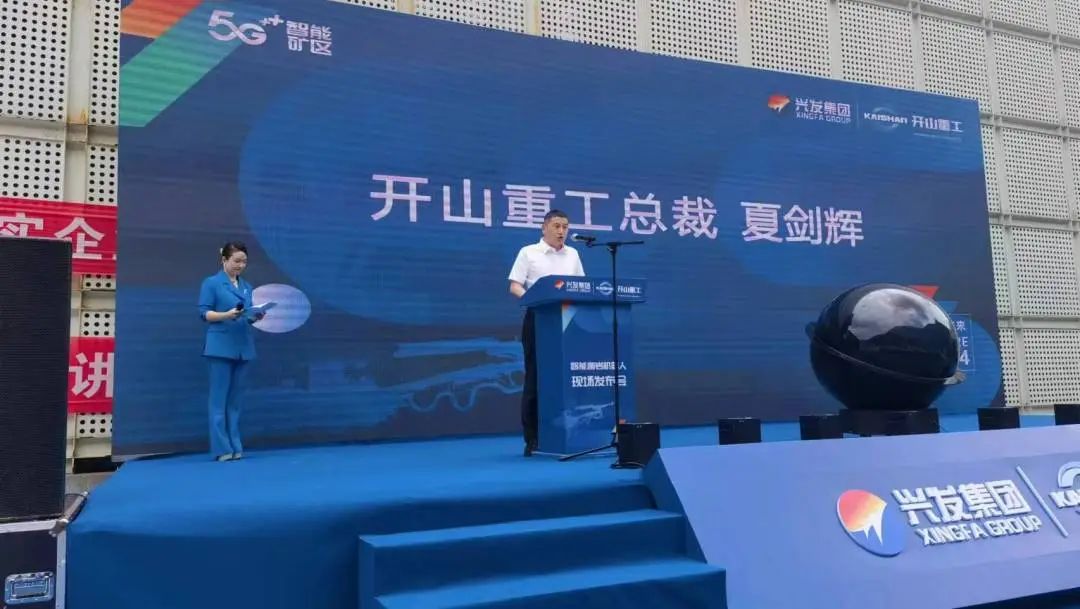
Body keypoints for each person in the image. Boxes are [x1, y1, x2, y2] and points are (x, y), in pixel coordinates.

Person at [507, 210, 585, 456]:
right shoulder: (528, 252)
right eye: (556, 226)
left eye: (565, 226)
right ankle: (533, 438)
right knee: (536, 378)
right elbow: (515, 286)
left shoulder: (573, 254)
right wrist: (536, 302)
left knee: (565, 378)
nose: (561, 231)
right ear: (544, 228)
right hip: (539, 319)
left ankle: (566, 433)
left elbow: (582, 287)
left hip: (568, 320)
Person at [198, 241, 263, 462]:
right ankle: (221, 448)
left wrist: (255, 316)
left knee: (235, 401)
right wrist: (226, 315)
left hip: (243, 347)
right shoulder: (212, 283)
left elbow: (246, 315)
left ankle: (235, 445)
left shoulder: (247, 286)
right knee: (218, 400)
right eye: (236, 261)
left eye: (244, 261)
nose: (240, 265)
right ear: (224, 260)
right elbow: (204, 313)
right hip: (220, 347)